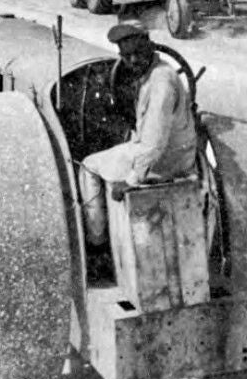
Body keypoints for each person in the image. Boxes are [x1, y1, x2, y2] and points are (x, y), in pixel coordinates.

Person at [79, 23, 197, 246]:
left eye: (138, 53)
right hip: (178, 153)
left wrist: (131, 180)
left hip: (164, 161)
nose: (133, 61)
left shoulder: (161, 83)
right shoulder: (156, 73)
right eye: (126, 56)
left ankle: (96, 241)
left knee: (88, 166)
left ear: (150, 47)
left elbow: (153, 144)